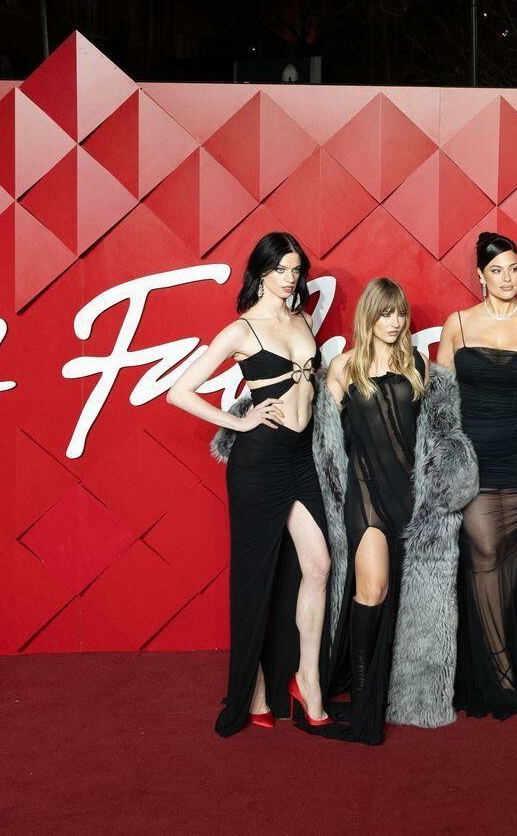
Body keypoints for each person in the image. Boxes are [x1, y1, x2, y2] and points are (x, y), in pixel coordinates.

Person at [172, 231, 333, 736]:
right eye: (281, 269)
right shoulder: (241, 330)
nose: (290, 278)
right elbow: (179, 391)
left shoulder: (301, 319)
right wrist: (238, 422)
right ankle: (257, 689)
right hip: (258, 464)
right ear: (260, 273)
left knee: (319, 564)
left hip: (300, 459)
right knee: (254, 579)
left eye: (295, 270)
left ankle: (307, 680)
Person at [309, 278, 479, 744]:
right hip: (366, 499)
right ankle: (364, 705)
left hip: (412, 500)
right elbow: (324, 441)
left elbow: (440, 433)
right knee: (373, 589)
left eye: (400, 313)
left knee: (415, 603)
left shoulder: (419, 365)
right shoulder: (344, 368)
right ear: (369, 316)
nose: (395, 322)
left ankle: (410, 695)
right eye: (385, 313)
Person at [438, 232, 517, 717]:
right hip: (471, 457)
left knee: (507, 557)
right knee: (485, 552)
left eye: (513, 268)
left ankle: (497, 654)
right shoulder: (458, 324)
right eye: (497, 270)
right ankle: (499, 669)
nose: (508, 278)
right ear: (480, 275)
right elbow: (441, 400)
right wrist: (446, 457)